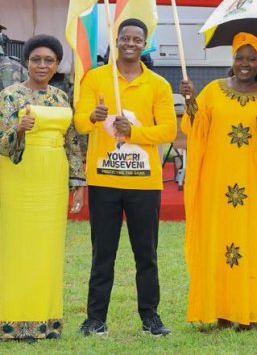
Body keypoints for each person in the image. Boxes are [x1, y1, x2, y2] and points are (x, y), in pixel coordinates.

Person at [73, 18, 177, 337]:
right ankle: (95, 319)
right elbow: (80, 121)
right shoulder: (96, 78)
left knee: (146, 253)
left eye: (137, 39)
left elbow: (169, 130)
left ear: (145, 44)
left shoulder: (158, 84)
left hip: (143, 183)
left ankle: (150, 317)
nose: (130, 43)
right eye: (125, 38)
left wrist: (135, 132)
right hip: (105, 180)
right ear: (116, 40)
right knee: (103, 253)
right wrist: (94, 116)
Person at [180, 33, 257, 330]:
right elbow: (195, 129)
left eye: (251, 58)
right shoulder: (212, 91)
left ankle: (250, 310)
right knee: (219, 240)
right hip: (218, 181)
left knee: (253, 241)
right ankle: (222, 310)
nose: (245, 64)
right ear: (232, 60)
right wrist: (190, 101)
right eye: (240, 57)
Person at [0, 35, 85, 341]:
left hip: (52, 179)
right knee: (16, 247)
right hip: (18, 177)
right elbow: (1, 142)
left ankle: (45, 322)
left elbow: (73, 144)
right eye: (36, 59)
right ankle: (10, 321)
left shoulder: (62, 99)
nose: (42, 65)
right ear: (26, 62)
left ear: (57, 65)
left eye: (49, 60)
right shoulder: (9, 96)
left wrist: (77, 183)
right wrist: (17, 131)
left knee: (47, 249)